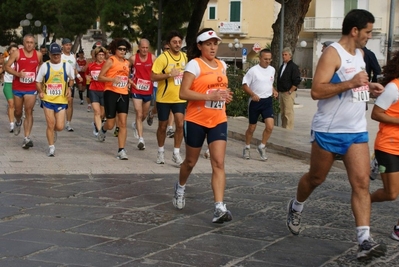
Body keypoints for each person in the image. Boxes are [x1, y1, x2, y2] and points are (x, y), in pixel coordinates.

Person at [285, 9, 386, 261]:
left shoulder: (361, 55)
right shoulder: (332, 54)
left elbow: (355, 88)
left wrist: (368, 88)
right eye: (367, 32)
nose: (369, 36)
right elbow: (317, 91)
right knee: (316, 178)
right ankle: (296, 205)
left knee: (361, 183)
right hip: (328, 130)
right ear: (355, 31)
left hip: (355, 130)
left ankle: (364, 239)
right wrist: (352, 83)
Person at [172, 28, 233, 223]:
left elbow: (220, 90)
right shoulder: (194, 65)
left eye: (215, 43)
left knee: (218, 163)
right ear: (200, 46)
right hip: (196, 120)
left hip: (218, 119)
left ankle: (219, 207)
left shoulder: (222, 65)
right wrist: (209, 96)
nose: (213, 47)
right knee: (190, 162)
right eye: (208, 44)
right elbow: (183, 93)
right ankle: (180, 186)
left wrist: (225, 96)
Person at [369, 51, 399, 241]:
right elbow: (376, 114)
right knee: (391, 193)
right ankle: (364, 200)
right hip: (389, 146)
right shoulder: (393, 88)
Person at [151, 30, 188, 166]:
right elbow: (153, 76)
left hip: (179, 97)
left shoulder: (185, 57)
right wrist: (168, 75)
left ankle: (176, 153)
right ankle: (161, 151)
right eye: (174, 42)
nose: (177, 44)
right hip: (164, 98)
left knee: (180, 124)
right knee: (162, 126)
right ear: (169, 44)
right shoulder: (163, 58)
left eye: (179, 42)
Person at [4, 34, 43, 149]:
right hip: (18, 87)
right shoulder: (17, 53)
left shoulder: (38, 54)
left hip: (31, 87)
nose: (29, 44)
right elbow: (7, 67)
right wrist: (18, 74)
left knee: (29, 110)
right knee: (17, 111)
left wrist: (39, 77)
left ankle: (27, 138)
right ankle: (18, 121)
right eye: (27, 42)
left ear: (34, 44)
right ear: (23, 43)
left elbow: (41, 65)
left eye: (32, 42)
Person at [36, 43, 74, 156]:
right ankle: (51, 147)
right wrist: (40, 91)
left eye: (58, 54)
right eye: (54, 55)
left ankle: (54, 132)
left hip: (61, 100)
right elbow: (38, 81)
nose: (56, 57)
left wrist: (69, 88)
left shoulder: (66, 66)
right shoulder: (45, 66)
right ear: (50, 54)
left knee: (60, 126)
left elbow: (71, 79)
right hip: (48, 99)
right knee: (50, 123)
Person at [97, 38, 133, 160]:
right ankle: (103, 129)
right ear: (115, 49)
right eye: (120, 49)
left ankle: (121, 150)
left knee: (123, 123)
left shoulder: (127, 63)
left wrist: (129, 81)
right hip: (111, 92)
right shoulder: (110, 61)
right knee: (111, 124)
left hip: (123, 93)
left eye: (125, 49)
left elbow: (124, 76)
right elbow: (100, 77)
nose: (123, 51)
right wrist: (112, 80)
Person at [242, 49, 278, 160]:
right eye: (265, 59)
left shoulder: (272, 69)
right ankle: (247, 147)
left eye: (269, 59)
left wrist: (274, 90)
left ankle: (262, 146)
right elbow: (244, 85)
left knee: (270, 126)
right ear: (260, 59)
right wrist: (252, 94)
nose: (268, 61)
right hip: (255, 102)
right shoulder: (253, 71)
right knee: (252, 128)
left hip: (267, 101)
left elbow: (269, 83)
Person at [130, 38, 156, 150]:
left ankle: (136, 125)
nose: (145, 50)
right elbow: (124, 69)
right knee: (138, 113)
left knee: (144, 114)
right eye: (143, 48)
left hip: (148, 89)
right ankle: (141, 139)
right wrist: (129, 81)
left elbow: (158, 70)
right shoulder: (133, 59)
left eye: (146, 48)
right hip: (136, 89)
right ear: (139, 48)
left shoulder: (153, 58)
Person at [147, 42, 176, 139]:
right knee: (157, 108)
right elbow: (153, 75)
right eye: (166, 48)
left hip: (171, 88)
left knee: (171, 108)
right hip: (158, 87)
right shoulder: (160, 59)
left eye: (169, 48)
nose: (168, 50)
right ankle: (151, 113)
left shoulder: (176, 58)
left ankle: (170, 128)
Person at [276, 47, 301, 130]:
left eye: (285, 55)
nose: (284, 56)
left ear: (290, 56)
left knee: (288, 113)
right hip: (281, 92)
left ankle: (289, 129)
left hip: (288, 92)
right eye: (283, 55)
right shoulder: (282, 66)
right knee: (283, 113)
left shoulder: (293, 67)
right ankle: (284, 128)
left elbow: (297, 80)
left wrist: (290, 91)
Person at [86, 46, 107, 138]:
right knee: (97, 112)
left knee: (102, 114)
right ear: (95, 56)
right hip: (93, 89)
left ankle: (96, 124)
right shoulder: (91, 65)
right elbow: (87, 74)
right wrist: (87, 78)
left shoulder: (107, 65)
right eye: (99, 55)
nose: (101, 56)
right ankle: (99, 132)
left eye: (103, 55)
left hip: (104, 90)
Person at [61, 38, 82, 132]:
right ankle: (59, 120)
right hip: (60, 81)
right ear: (63, 46)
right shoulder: (60, 56)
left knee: (70, 101)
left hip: (70, 81)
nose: (68, 47)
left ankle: (68, 123)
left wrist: (78, 75)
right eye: (66, 45)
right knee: (61, 102)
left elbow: (74, 68)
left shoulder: (73, 56)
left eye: (70, 45)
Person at [3, 44, 19, 132]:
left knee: (17, 107)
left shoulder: (20, 61)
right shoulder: (6, 60)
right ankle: (11, 125)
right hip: (8, 84)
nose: (13, 52)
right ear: (9, 52)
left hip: (17, 85)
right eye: (12, 51)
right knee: (11, 104)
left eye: (15, 51)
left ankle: (17, 120)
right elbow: (4, 67)